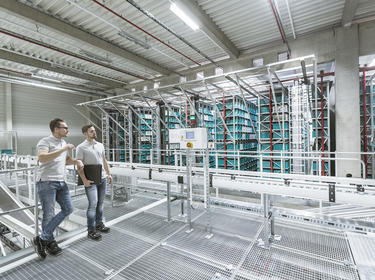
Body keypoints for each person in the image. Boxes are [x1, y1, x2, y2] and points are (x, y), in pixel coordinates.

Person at [33, 118, 84, 260]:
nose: (67, 130)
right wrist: (64, 148)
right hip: (47, 182)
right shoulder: (45, 141)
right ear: (56, 129)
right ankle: (50, 242)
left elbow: (65, 159)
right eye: (65, 128)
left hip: (61, 181)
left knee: (68, 209)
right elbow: (42, 158)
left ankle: (42, 239)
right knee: (48, 214)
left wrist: (76, 161)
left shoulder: (62, 142)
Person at [76, 124, 112, 241]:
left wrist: (109, 174)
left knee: (100, 203)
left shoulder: (100, 145)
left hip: (102, 178)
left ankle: (99, 224)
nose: (94, 132)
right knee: (93, 204)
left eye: (94, 131)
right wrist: (85, 180)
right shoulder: (81, 147)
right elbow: (79, 165)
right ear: (85, 134)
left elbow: (104, 160)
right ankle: (91, 230)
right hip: (90, 180)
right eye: (91, 131)